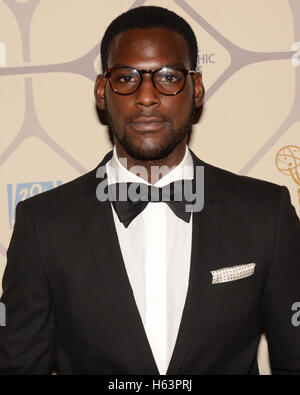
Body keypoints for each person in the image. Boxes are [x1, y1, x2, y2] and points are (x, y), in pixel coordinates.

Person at [0, 6, 300, 375]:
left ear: (197, 88)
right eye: (126, 78)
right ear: (101, 90)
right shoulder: (43, 226)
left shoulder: (265, 214)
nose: (146, 97)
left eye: (168, 77)